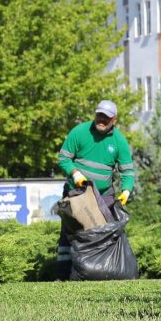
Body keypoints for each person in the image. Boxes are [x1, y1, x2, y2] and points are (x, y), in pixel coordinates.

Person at [55, 100, 136, 272]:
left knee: (101, 234)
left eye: (106, 118)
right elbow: (63, 158)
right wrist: (75, 174)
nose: (101, 120)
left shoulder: (119, 142)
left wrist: (126, 191)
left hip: (104, 196)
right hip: (76, 192)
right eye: (99, 115)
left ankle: (98, 271)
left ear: (114, 120)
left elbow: (127, 171)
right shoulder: (80, 132)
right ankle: (63, 272)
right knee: (70, 232)